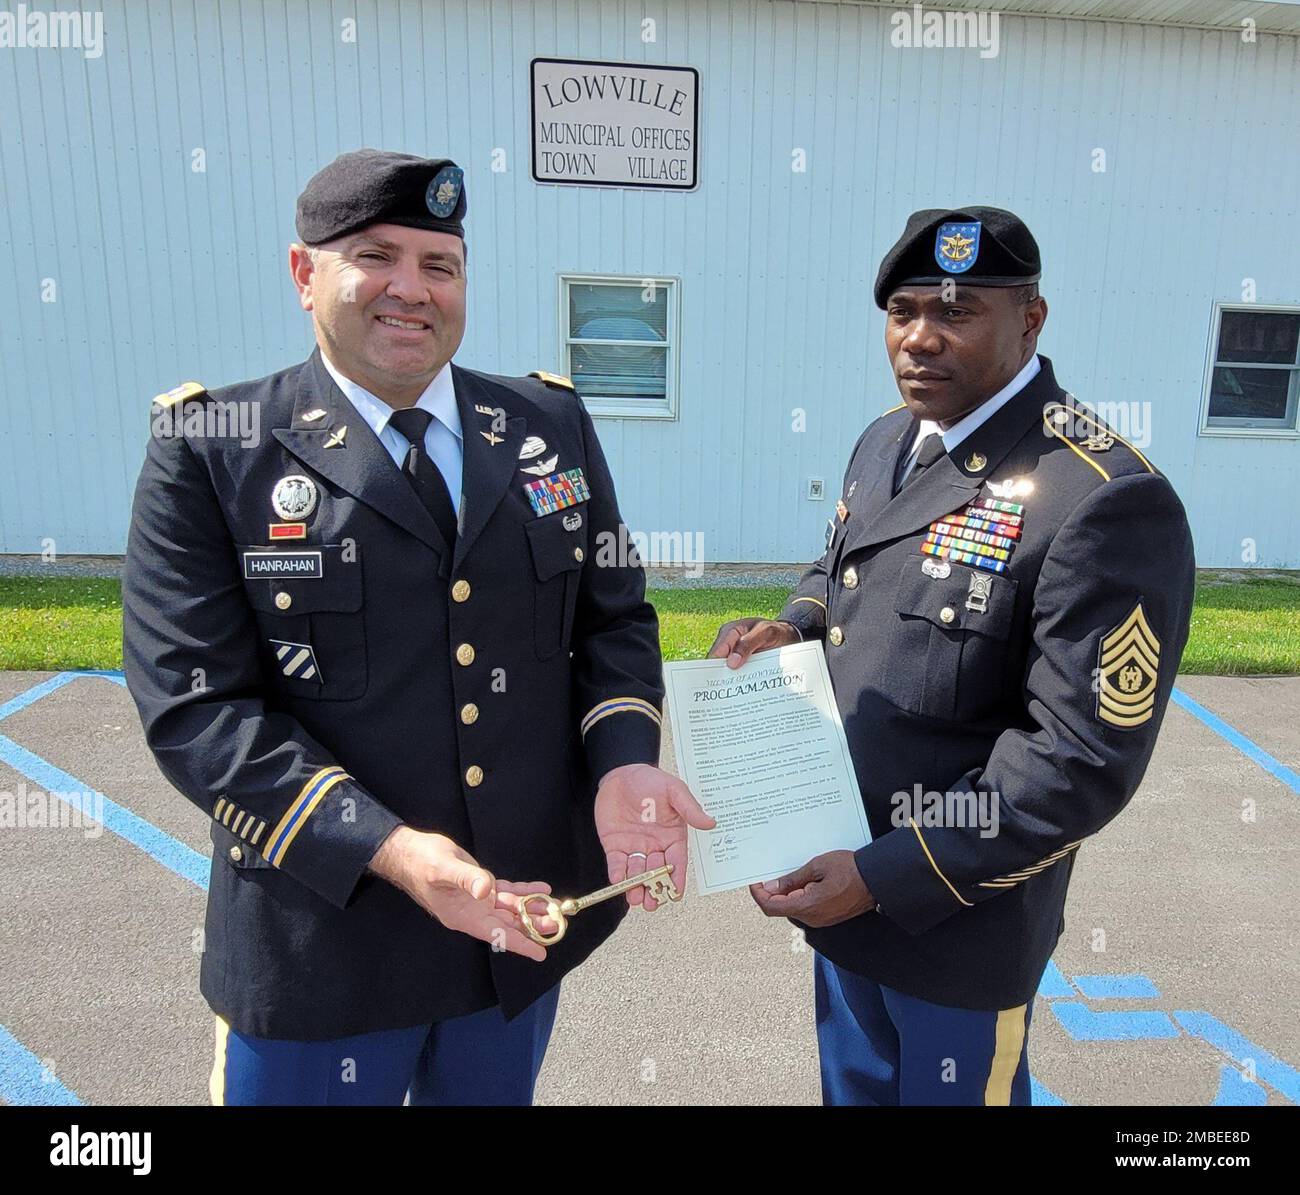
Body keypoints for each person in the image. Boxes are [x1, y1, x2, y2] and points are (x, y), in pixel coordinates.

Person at [123, 149, 711, 1106]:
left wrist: (625, 761)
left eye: (440, 264)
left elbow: (613, 622)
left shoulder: (545, 424)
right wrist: (395, 851)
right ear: (303, 273)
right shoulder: (212, 448)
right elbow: (198, 712)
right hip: (323, 947)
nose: (411, 288)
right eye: (375, 256)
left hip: (511, 939)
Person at [709, 206, 1195, 1106]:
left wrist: (887, 876)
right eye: (902, 312)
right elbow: (841, 568)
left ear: (1032, 320)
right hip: (841, 885)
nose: (920, 340)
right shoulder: (887, 441)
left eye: (958, 312)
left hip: (955, 917)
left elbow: (1079, 760)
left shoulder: (1096, 497)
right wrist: (794, 624)